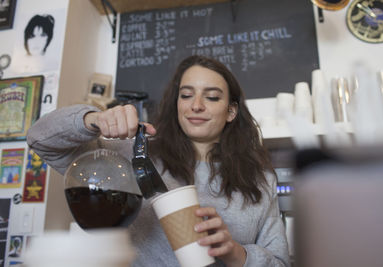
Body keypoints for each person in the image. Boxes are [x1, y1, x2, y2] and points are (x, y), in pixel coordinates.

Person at [27, 55, 290, 266]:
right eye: (186, 95)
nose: (195, 105)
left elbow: (280, 263)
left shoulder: (261, 180)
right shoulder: (135, 155)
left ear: (231, 111)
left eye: (211, 97)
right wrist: (93, 120)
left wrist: (235, 254)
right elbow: (41, 139)